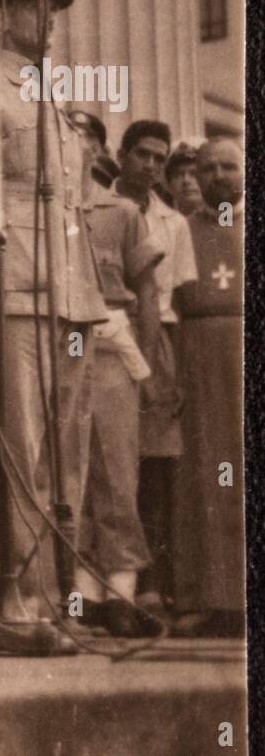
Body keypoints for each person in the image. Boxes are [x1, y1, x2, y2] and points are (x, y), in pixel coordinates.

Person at [0, 0, 107, 621]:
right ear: (5, 10)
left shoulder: (58, 102)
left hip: (72, 293)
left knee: (67, 452)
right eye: (36, 4)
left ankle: (55, 587)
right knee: (18, 446)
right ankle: (10, 586)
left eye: (55, 6)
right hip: (13, 287)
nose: (47, 18)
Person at [74, 163, 164, 637]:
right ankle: (82, 595)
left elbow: (146, 290)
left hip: (111, 342)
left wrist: (145, 367)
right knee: (70, 468)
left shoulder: (123, 212)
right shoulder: (40, 202)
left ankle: (122, 591)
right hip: (59, 341)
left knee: (115, 467)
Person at [113, 121, 198, 609]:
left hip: (158, 341)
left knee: (156, 466)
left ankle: (151, 585)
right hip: (108, 333)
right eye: (141, 154)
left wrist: (177, 372)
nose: (149, 165)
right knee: (113, 463)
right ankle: (109, 583)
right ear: (123, 155)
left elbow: (179, 306)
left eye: (158, 159)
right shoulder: (97, 206)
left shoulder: (174, 222)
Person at [171, 138, 245, 638]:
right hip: (197, 352)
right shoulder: (181, 230)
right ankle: (206, 597)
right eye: (209, 167)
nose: (219, 175)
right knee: (202, 472)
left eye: (229, 166)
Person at [165, 138, 207, 217]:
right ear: (168, 185)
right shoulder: (159, 225)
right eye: (177, 175)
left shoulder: (225, 220)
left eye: (194, 174)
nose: (186, 180)